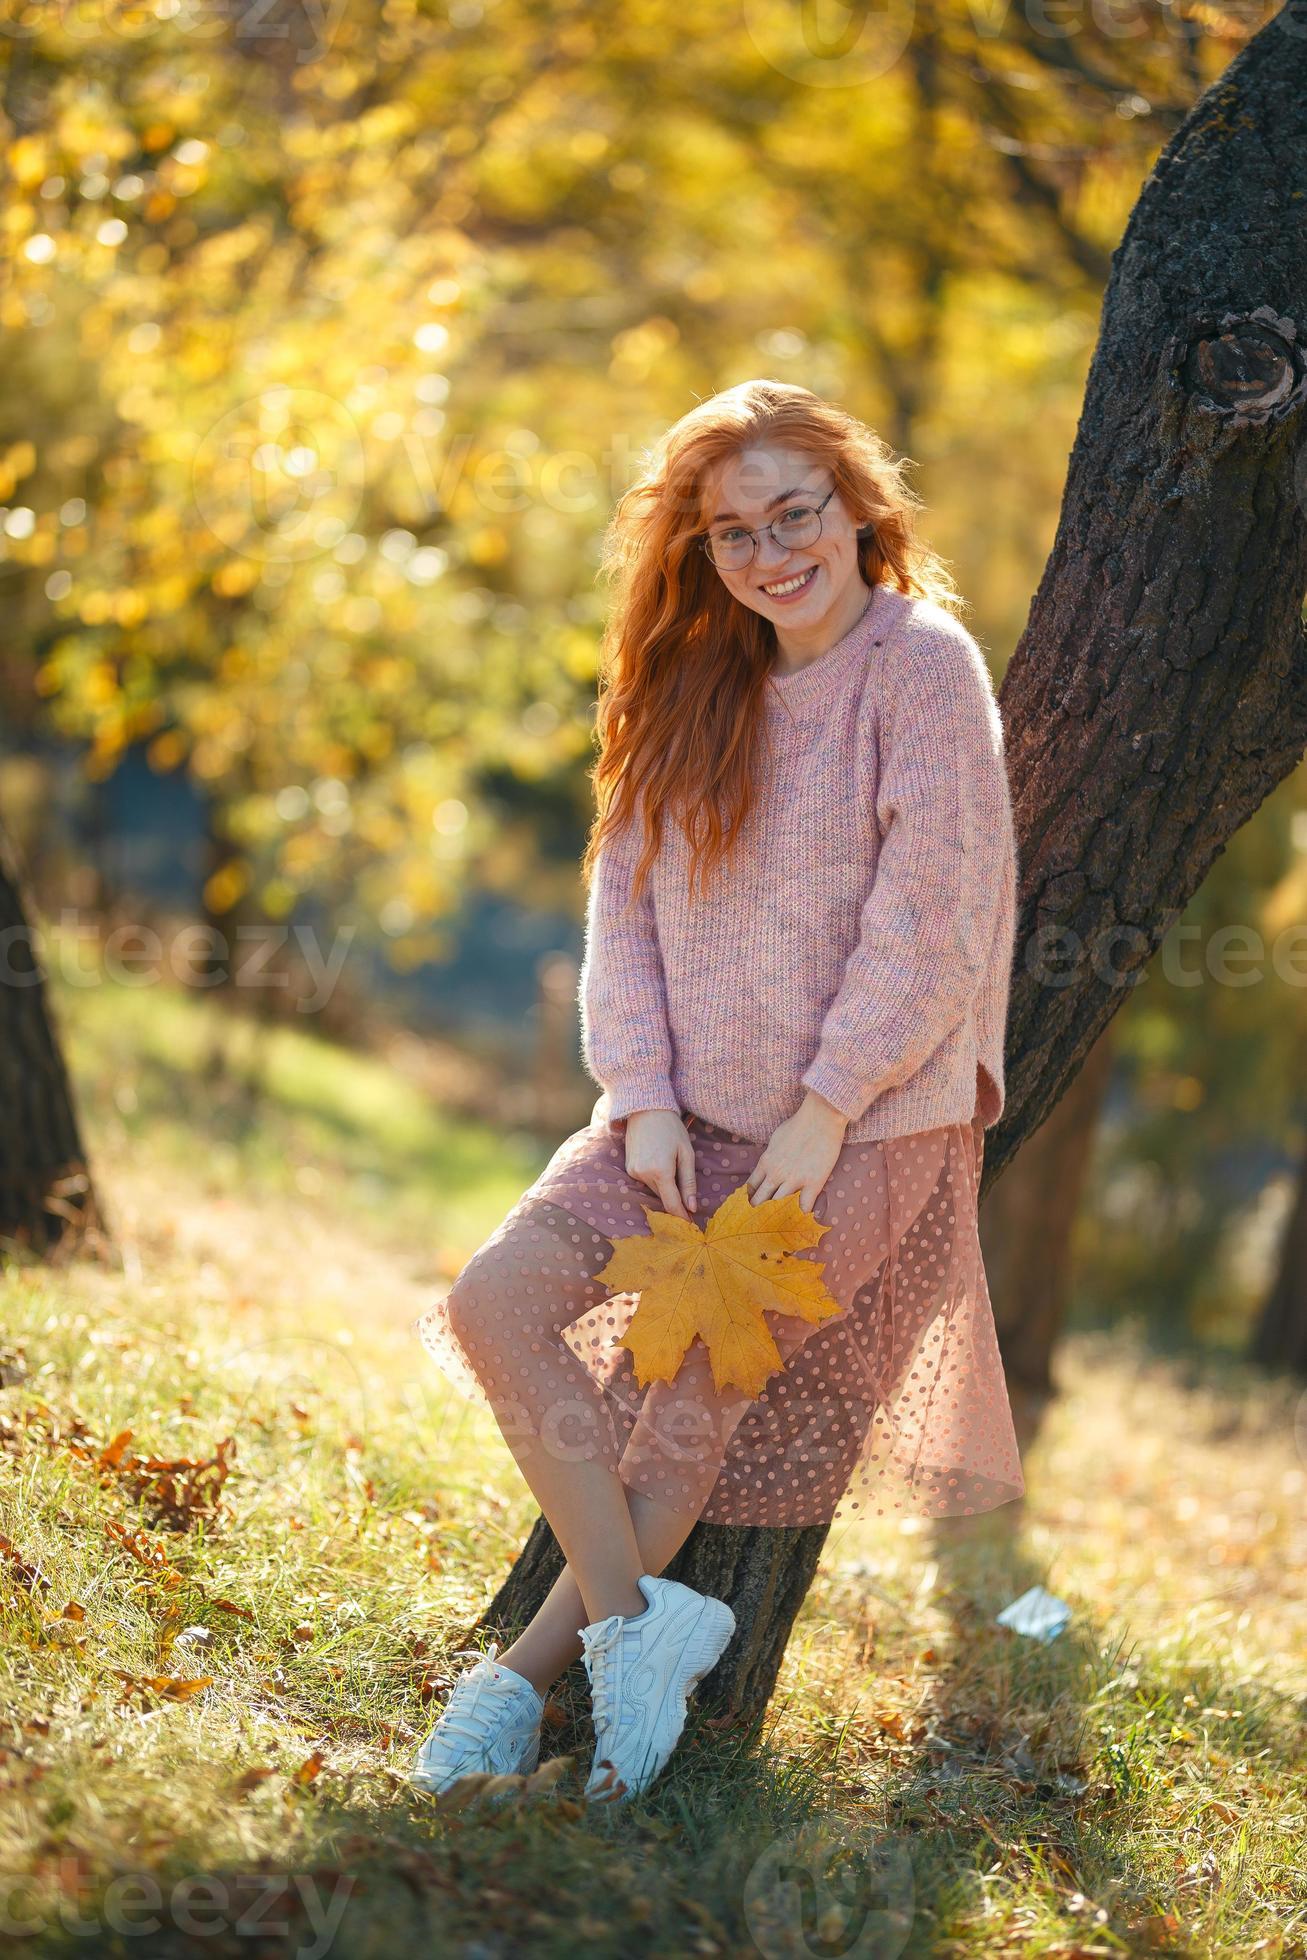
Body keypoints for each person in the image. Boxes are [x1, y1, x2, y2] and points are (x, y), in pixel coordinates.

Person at [411, 378, 1025, 1805]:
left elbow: (932, 916)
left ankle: (515, 1690)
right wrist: (642, 1095)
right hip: (676, 1117)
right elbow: (619, 908)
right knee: (493, 1302)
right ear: (702, 551)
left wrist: (821, 1110)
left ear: (857, 507)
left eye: (792, 512)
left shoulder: (922, 667)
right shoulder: (692, 680)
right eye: (733, 529)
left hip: (856, 1128)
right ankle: (644, 1625)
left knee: (686, 1404)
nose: (769, 551)